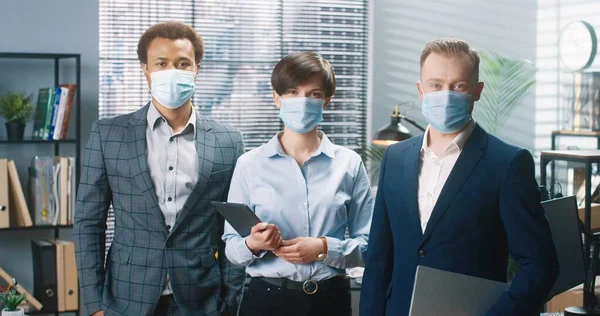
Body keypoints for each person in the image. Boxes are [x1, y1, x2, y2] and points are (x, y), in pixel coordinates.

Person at [360, 38, 559, 316]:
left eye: (459, 86)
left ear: (476, 92)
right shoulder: (395, 158)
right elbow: (380, 259)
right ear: (420, 90)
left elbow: (540, 266)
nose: (446, 94)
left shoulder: (508, 163)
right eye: (436, 85)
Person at [74, 21, 245, 316]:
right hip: (124, 299)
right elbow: (89, 223)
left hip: (202, 301)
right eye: (161, 64)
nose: (172, 72)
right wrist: (94, 305)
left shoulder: (228, 140)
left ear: (196, 70)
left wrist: (229, 304)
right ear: (146, 70)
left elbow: (233, 229)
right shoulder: (108, 134)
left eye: (182, 63)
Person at [222, 51, 374, 316]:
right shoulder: (249, 164)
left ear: (326, 101)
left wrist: (325, 248)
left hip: (331, 300)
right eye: (293, 92)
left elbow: (371, 244)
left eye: (314, 94)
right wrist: (254, 243)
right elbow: (232, 248)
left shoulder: (349, 163)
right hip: (266, 300)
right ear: (276, 98)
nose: (303, 101)